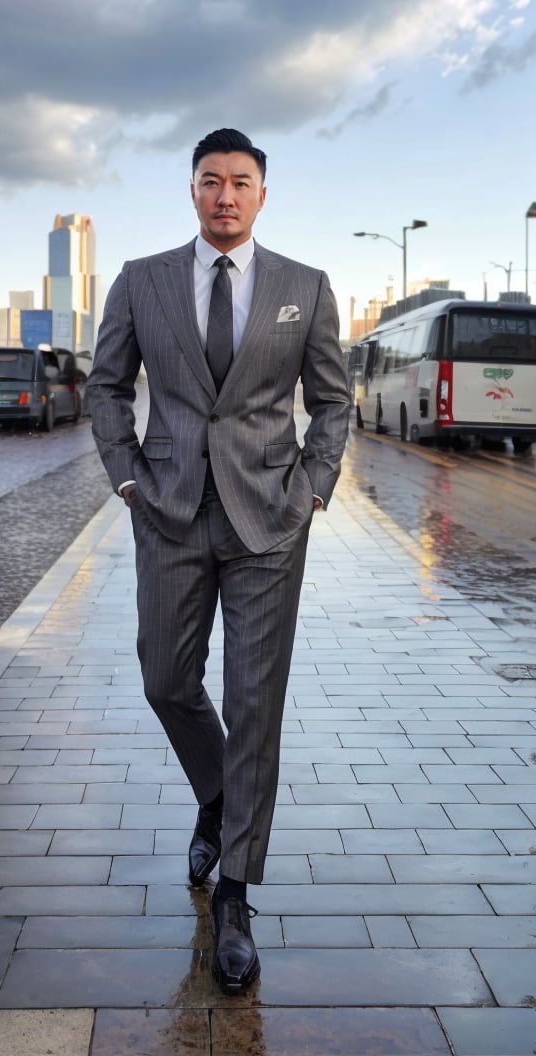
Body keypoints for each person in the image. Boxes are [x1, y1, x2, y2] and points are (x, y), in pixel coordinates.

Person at [85, 128, 350, 994]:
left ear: (263, 194)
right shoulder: (142, 279)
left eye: (241, 182)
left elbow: (334, 401)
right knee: (166, 677)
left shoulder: (304, 288)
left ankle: (234, 895)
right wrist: (126, 477)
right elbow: (105, 385)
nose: (225, 196)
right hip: (165, 511)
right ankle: (219, 796)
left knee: (254, 699)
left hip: (268, 522)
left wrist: (312, 490)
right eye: (210, 182)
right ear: (191, 191)